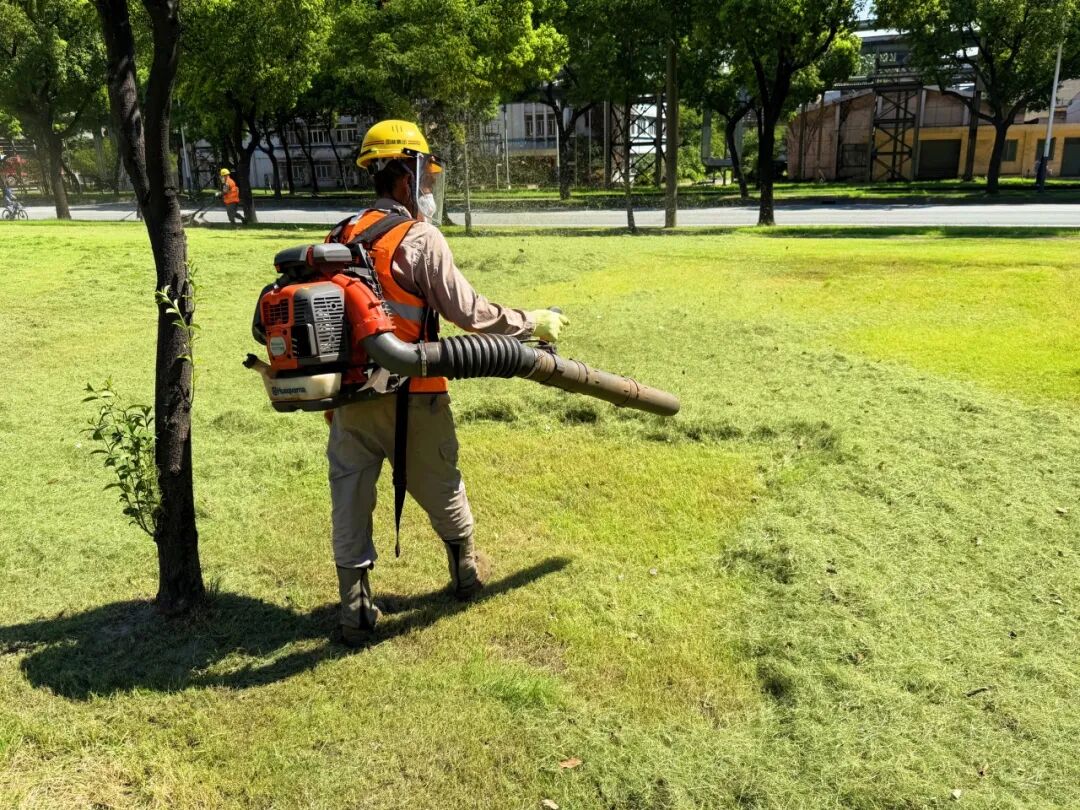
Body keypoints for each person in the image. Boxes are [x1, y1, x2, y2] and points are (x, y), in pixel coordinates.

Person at [318, 119, 568, 646]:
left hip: (349, 399)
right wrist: (532, 322)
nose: (429, 189)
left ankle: (355, 610)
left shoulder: (337, 236)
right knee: (442, 486)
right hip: (417, 395)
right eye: (426, 179)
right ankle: (465, 574)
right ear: (405, 179)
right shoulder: (419, 237)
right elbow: (470, 314)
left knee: (350, 496)